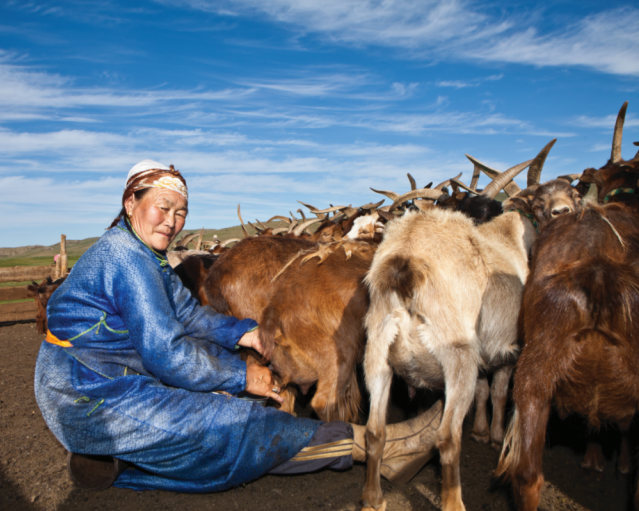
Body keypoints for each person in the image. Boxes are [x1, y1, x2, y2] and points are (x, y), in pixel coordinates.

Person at [34, 160, 442, 493]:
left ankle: (115, 457)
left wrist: (247, 334)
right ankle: (376, 446)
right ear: (130, 202)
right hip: (88, 394)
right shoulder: (125, 258)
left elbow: (189, 316)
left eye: (180, 213)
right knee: (227, 427)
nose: (172, 222)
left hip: (112, 376)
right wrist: (242, 375)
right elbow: (167, 353)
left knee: (214, 364)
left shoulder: (146, 256)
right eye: (163, 208)